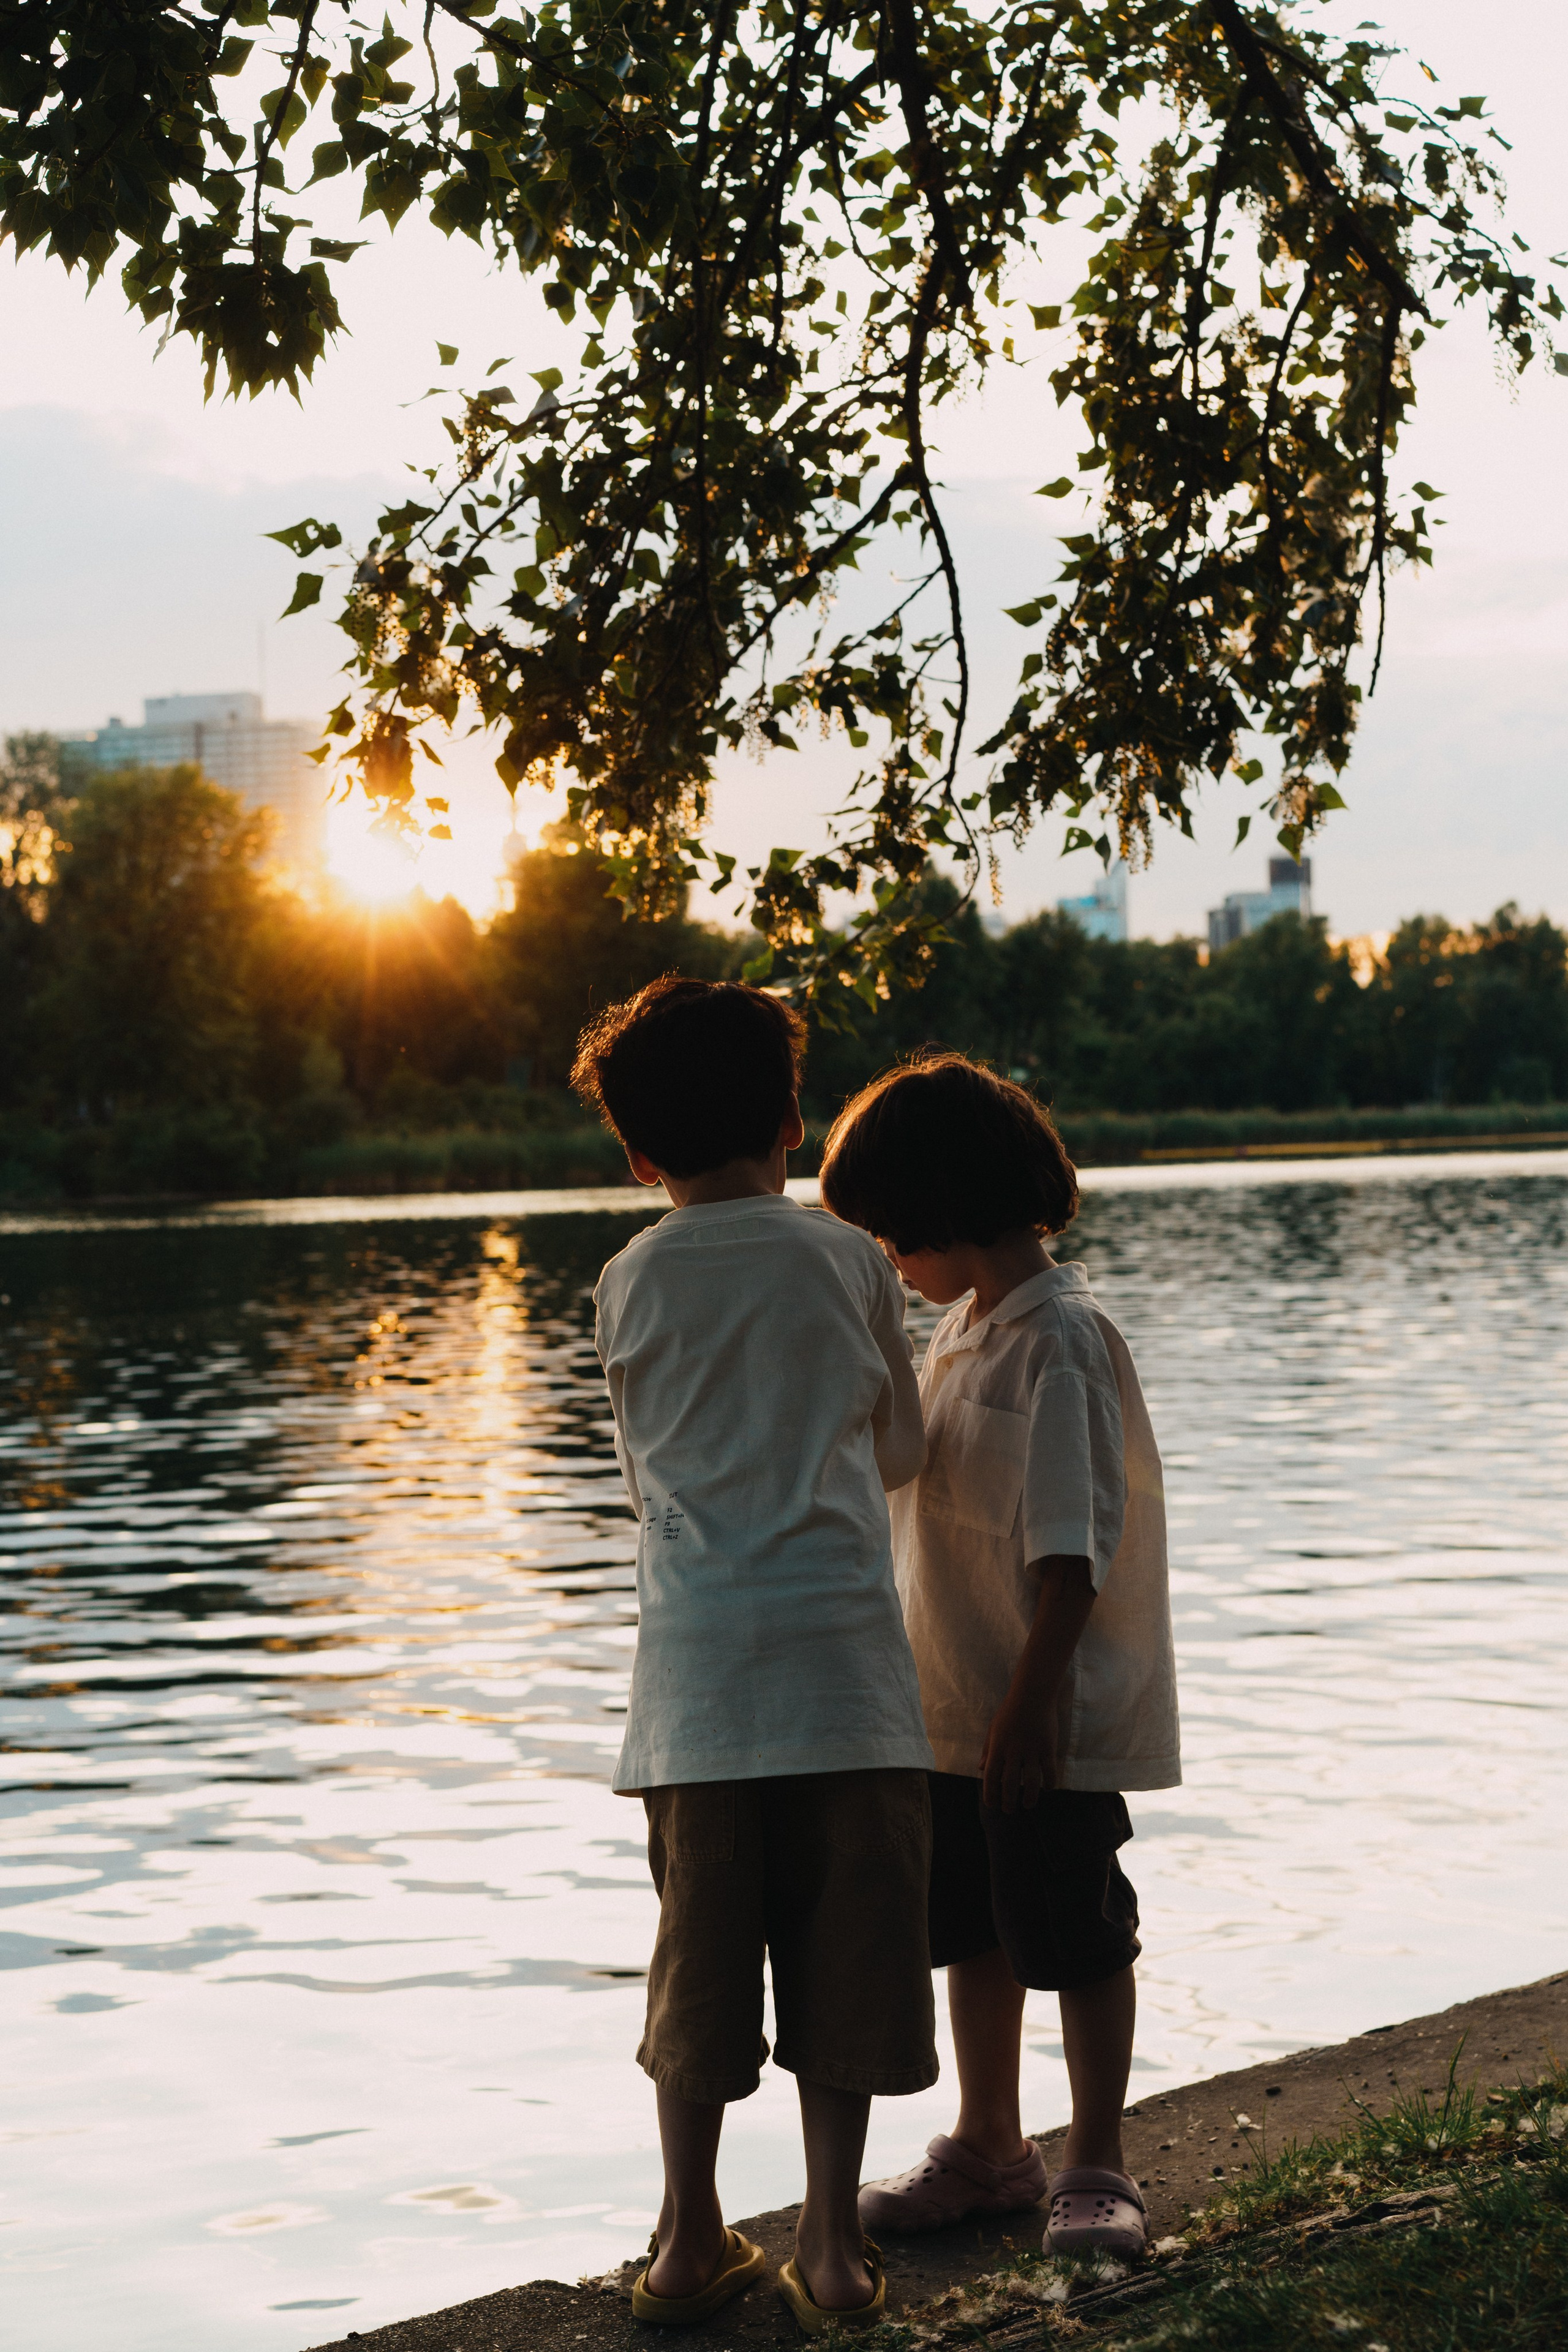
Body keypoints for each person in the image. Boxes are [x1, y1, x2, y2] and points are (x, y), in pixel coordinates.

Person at [574, 978, 937, 2335]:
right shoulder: (846, 1258)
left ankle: (685, 2241)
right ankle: (833, 2251)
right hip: (846, 1684)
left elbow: (640, 1478)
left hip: (696, 1701)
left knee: (701, 1971)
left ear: (635, 1152)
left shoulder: (623, 1280)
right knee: (844, 1972)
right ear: (792, 1119)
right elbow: (898, 1448)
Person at [818, 1052, 1180, 2266]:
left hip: (1038, 1716)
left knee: (1073, 1933)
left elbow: (1070, 1553)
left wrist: (1030, 1706)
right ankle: (987, 2142)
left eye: (883, 1236)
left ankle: (1095, 2160)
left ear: (934, 1214)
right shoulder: (966, 1333)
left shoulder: (1057, 1343)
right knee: (970, 1929)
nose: (885, 1262)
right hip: (952, 1707)